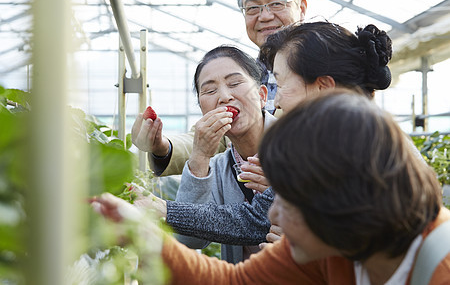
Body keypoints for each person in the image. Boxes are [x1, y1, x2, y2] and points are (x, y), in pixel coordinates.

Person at [93, 89, 450, 284]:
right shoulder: (332, 247)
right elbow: (237, 282)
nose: (272, 213)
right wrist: (144, 233)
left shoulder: (440, 267)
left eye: (285, 198)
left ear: (337, 199)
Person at [136, 21, 395, 248]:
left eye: (280, 85)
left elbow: (253, 221)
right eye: (209, 90)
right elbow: (253, 220)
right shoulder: (318, 145)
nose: (278, 101)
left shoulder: (354, 148)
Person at [132, 0, 307, 177]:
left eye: (276, 3)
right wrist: (162, 146)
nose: (264, 16)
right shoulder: (248, 73)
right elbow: (213, 137)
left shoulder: (326, 67)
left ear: (302, 8)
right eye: (252, 8)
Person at [171, 45, 277, 263]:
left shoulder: (301, 146)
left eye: (235, 83)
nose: (224, 97)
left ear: (262, 95)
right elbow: (190, 239)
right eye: (210, 91)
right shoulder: (218, 167)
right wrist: (199, 156)